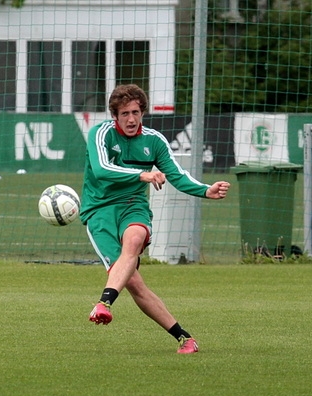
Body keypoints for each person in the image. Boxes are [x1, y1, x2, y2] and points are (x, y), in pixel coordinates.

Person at [79, 84, 230, 354]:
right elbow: (102, 170)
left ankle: (104, 304)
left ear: (143, 112)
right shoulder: (99, 133)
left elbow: (177, 174)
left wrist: (206, 190)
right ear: (115, 115)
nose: (131, 119)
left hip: (133, 205)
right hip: (99, 210)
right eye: (124, 113)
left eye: (136, 112)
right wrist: (141, 174)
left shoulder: (154, 140)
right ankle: (185, 338)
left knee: (134, 239)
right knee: (134, 282)